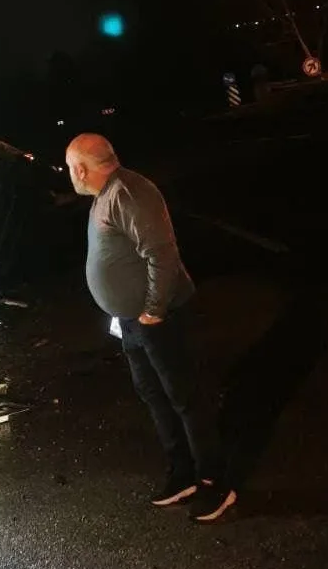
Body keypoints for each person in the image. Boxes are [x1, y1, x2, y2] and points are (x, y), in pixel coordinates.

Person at [65, 133, 236, 522]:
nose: (69, 176)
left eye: (69, 167)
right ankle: (183, 473)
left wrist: (153, 311)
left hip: (156, 318)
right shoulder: (103, 195)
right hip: (130, 322)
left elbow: (162, 254)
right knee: (154, 394)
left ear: (80, 168)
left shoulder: (128, 192)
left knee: (184, 397)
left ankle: (214, 482)